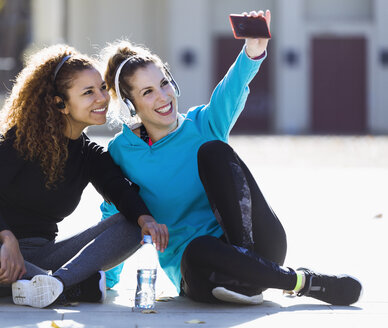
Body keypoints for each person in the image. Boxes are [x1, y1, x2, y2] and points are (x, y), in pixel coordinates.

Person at [100, 10, 362, 306]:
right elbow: (116, 211)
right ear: (130, 105)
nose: (163, 96)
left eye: (164, 83)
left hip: (258, 245)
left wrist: (253, 50)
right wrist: (103, 279)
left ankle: (250, 269)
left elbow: (233, 87)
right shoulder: (123, 152)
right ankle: (299, 281)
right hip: (202, 269)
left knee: (214, 151)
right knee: (198, 249)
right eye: (147, 92)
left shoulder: (203, 123)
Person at [0, 44, 168, 309]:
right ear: (60, 103)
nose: (101, 98)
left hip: (45, 258)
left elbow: (120, 191)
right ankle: (66, 285)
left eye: (102, 88)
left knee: (134, 224)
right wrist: (7, 239)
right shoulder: (21, 140)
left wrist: (147, 220)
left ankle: (55, 284)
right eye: (88, 92)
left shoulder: (89, 155)